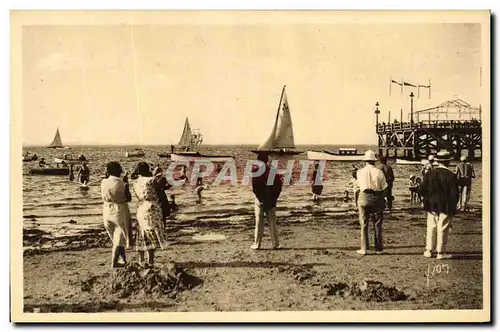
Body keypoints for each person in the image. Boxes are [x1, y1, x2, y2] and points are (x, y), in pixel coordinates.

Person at [419, 150, 460, 260]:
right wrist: (454, 205)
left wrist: (427, 199)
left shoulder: (430, 173)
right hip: (446, 205)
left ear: (438, 162)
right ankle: (440, 252)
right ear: (448, 162)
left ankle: (428, 250)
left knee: (431, 227)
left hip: (431, 204)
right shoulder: (451, 175)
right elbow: (455, 194)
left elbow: (422, 189)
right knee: (443, 228)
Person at [133, 162, 168, 266]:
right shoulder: (152, 180)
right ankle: (151, 260)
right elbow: (159, 193)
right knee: (151, 233)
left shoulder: (135, 182)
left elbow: (137, 196)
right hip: (152, 207)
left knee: (141, 233)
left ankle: (141, 260)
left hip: (141, 207)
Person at [356, 150, 388, 255]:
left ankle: (364, 248)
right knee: (377, 223)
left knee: (364, 223)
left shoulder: (359, 172)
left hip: (364, 197)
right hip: (377, 197)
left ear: (365, 161)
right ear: (374, 161)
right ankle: (378, 249)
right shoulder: (379, 172)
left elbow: (358, 186)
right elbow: (384, 187)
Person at [101, 161, 132, 268]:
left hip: (106, 209)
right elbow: (128, 198)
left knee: (116, 239)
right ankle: (114, 262)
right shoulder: (123, 184)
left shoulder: (103, 182)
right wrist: (126, 183)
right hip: (119, 210)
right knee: (119, 238)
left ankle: (123, 260)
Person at [251, 152, 283, 250]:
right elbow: (278, 186)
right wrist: (274, 198)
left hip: (260, 199)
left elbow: (255, 187)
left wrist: (260, 199)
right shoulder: (272, 170)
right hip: (271, 199)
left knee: (259, 223)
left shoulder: (256, 170)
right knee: (272, 222)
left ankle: (257, 244)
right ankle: (275, 244)